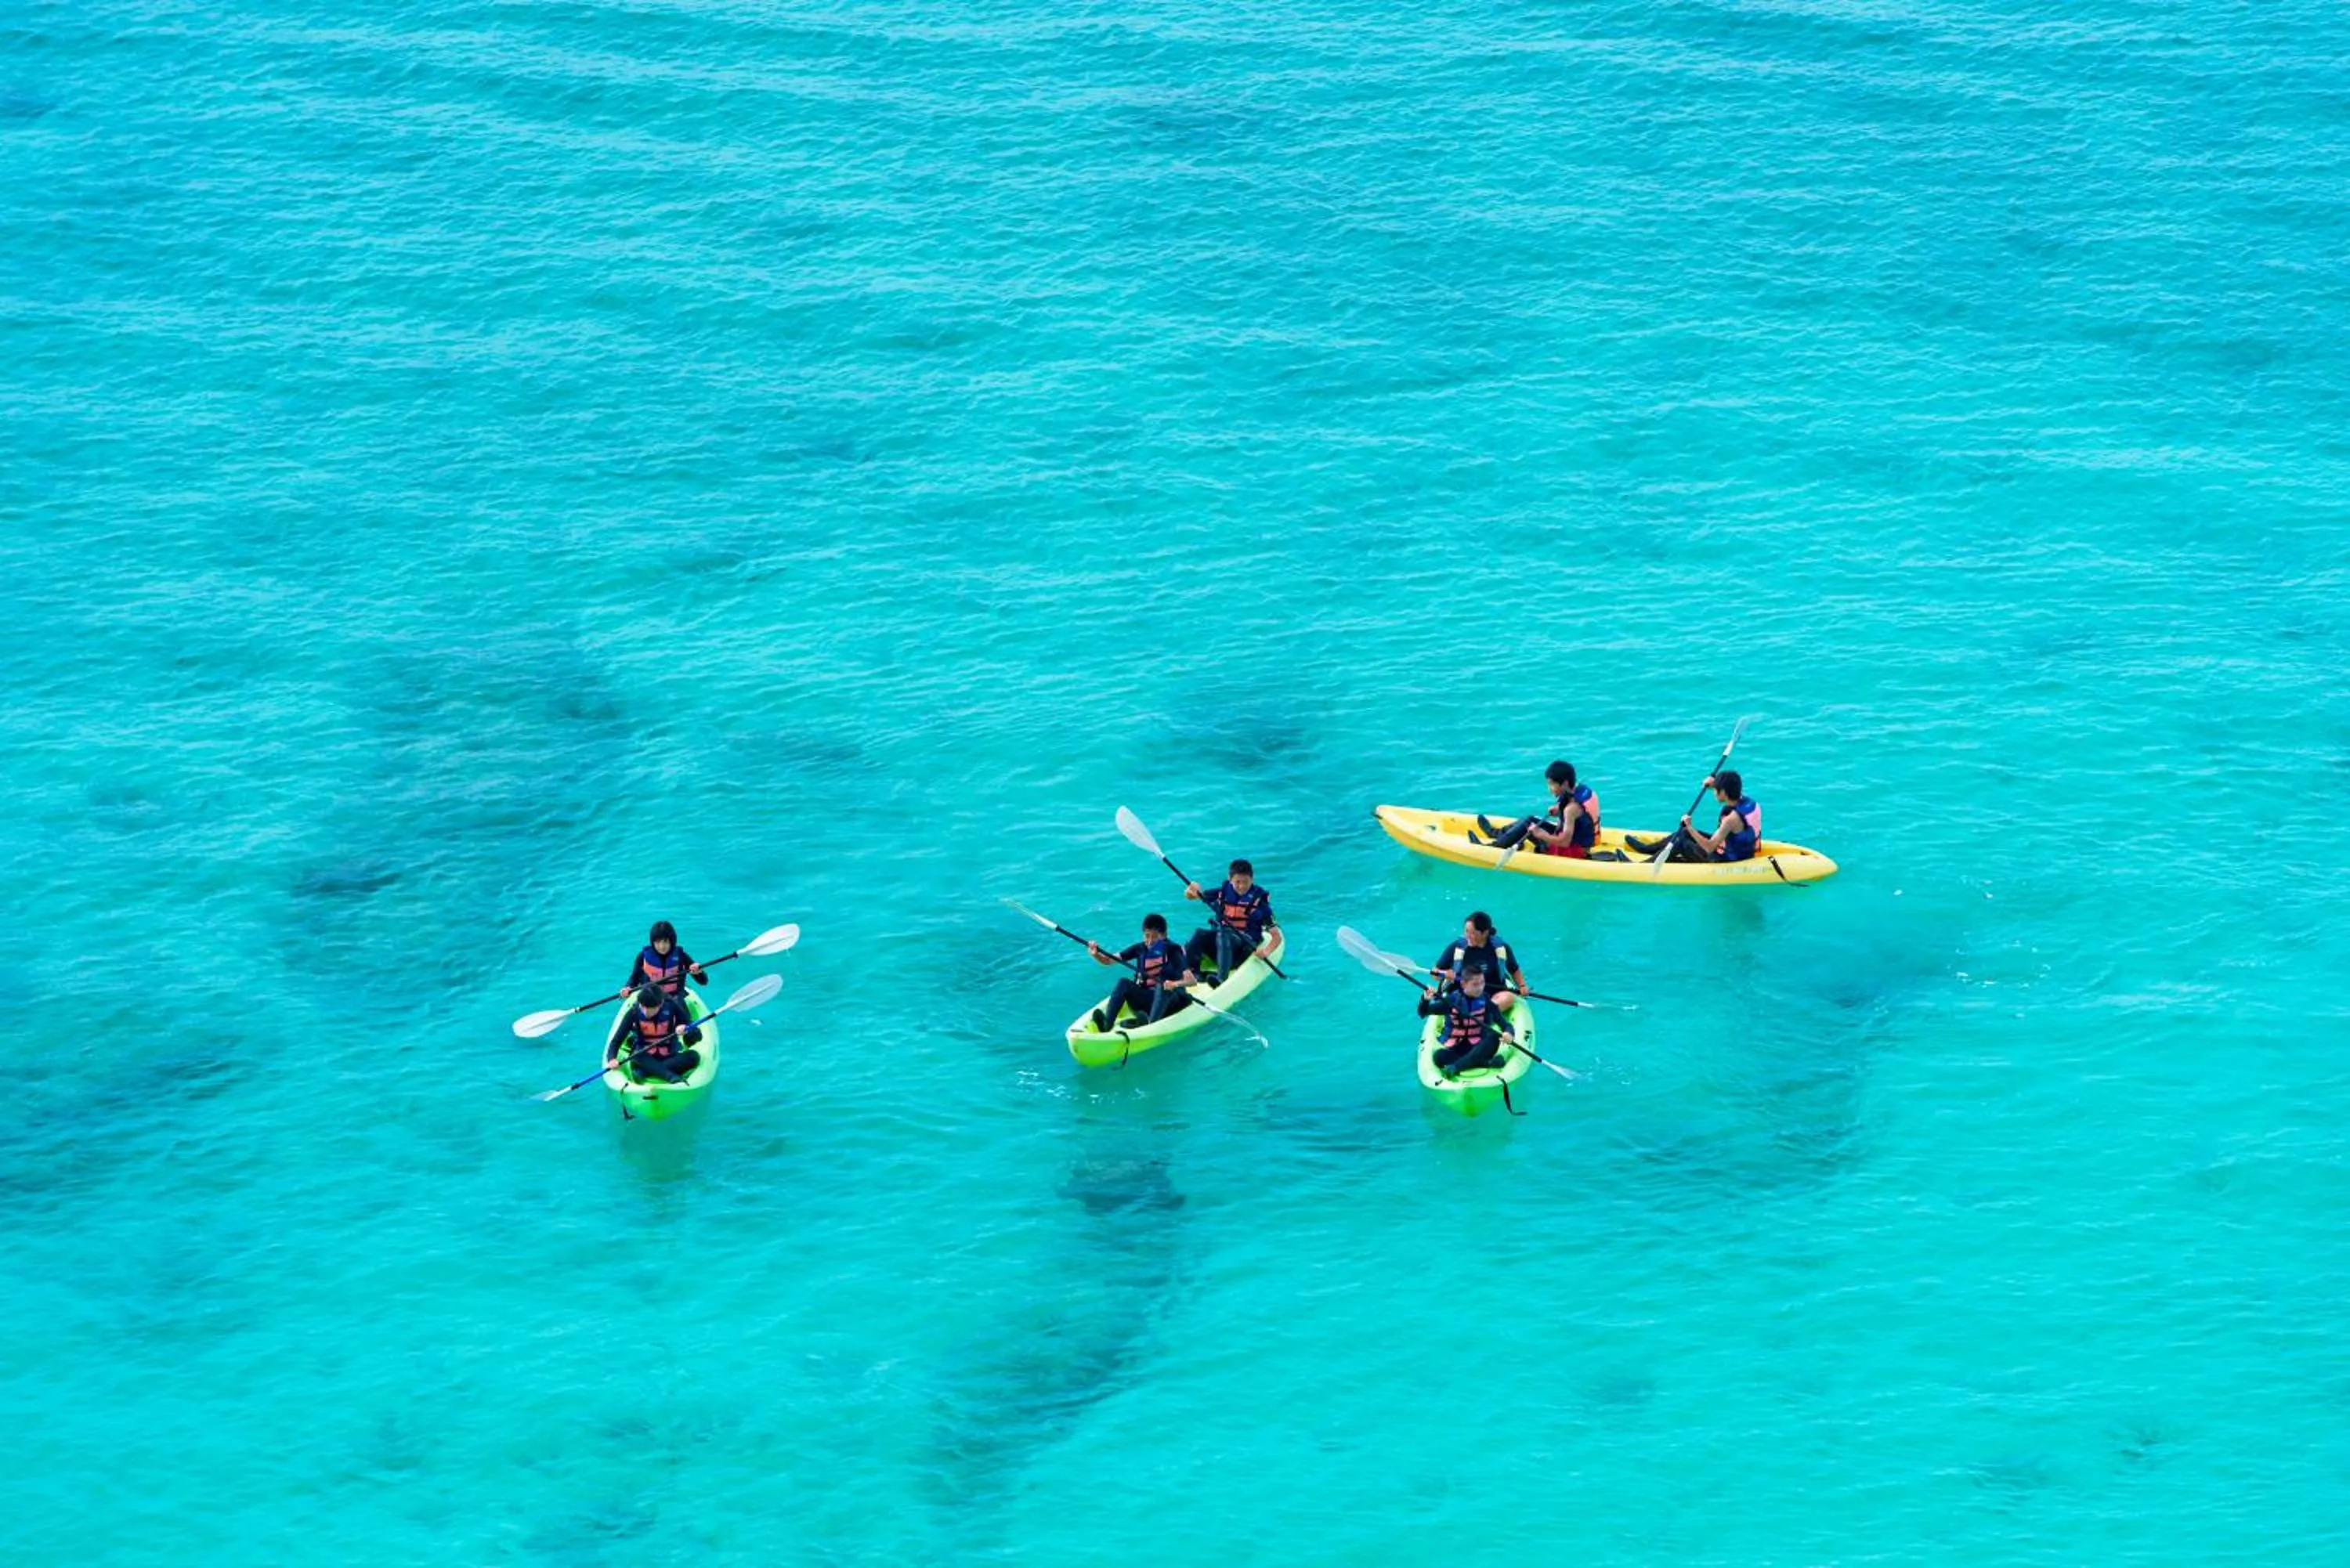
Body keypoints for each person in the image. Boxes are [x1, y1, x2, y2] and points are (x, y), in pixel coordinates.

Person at [1086, 915, 1201, 1033]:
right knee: (1123, 983)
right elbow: (1108, 960)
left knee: (1162, 983)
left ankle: (1150, 1027)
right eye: (1147, 936)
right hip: (1148, 1000)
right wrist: (1096, 954)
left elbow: (1191, 981)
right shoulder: (1139, 949)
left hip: (1170, 1002)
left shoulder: (1173, 950)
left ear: (1164, 936)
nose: (1150, 941)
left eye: (1155, 937)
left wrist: (1174, 984)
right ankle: (1107, 1025)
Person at [1473, 761, 1600, 858]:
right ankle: (1497, 834)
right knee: (1530, 820)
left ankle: (1494, 848)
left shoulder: (1571, 809)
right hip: (1577, 841)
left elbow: (1565, 842)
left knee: (1528, 825)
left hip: (1571, 851)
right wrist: (1558, 810)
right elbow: (1580, 818)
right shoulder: (1581, 789)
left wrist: (1542, 835)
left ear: (1565, 783)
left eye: (1552, 784)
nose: (1549, 788)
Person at [1630, 771, 1762, 863]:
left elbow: (1710, 848)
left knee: (1682, 842)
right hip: (1738, 848)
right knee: (1684, 832)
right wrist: (1715, 783)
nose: (1714, 792)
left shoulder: (1731, 820)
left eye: (1716, 790)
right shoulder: (1749, 802)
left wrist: (1690, 826)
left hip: (1725, 859)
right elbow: (1729, 791)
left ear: (1723, 792)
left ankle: (1643, 865)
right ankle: (1645, 849)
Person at [1182, 858, 1280, 982]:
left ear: (1252, 879)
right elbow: (1192, 896)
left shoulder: (1259, 902)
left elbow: (1276, 936)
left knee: (1223, 934)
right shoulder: (1223, 892)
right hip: (1219, 947)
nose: (1242, 886)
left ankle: (1221, 978)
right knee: (1199, 933)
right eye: (1237, 882)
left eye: (1246, 882)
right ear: (1230, 879)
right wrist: (1190, 891)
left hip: (1241, 951)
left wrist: (1266, 952)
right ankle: (1194, 973)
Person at [1418, 966, 1514, 1077]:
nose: (1480, 988)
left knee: (1494, 1036)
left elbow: (1504, 1024)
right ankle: (1483, 1063)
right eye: (1475, 984)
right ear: (1464, 984)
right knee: (1438, 1057)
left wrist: (1509, 1033)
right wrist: (1425, 1000)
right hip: (1457, 1048)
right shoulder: (1451, 1001)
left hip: (1480, 1046)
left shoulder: (1486, 1000)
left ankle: (1456, 1067)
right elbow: (1423, 1013)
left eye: (1482, 983)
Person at [606, 983, 705, 1084]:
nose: (645, 1012)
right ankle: (671, 1076)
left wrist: (686, 1029)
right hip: (644, 1057)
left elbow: (697, 1034)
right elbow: (616, 1040)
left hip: (669, 1055)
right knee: (636, 1054)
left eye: (650, 1008)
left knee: (694, 1057)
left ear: (660, 1004)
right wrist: (611, 1059)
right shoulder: (634, 1012)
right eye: (643, 1007)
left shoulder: (672, 1006)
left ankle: (645, 1072)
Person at [1431, 912, 1524, 1006]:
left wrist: (1522, 986)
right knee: (1458, 1001)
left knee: (1508, 998)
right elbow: (1435, 974)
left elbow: (1514, 969)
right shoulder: (1456, 948)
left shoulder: (1501, 948)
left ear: (1485, 933)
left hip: (1492, 997)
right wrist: (1445, 974)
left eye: (1473, 933)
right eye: (1466, 931)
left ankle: (1482, 1011)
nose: (1468, 936)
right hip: (1461, 996)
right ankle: (1479, 1012)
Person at [624, 920, 708, 1001]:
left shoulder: (681, 956)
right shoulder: (643, 957)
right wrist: (628, 987)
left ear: (672, 941)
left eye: (665, 942)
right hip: (650, 998)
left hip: (674, 998)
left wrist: (699, 973)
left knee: (680, 1011)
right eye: (658, 942)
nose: (662, 946)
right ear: (652, 942)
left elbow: (703, 981)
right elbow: (634, 979)